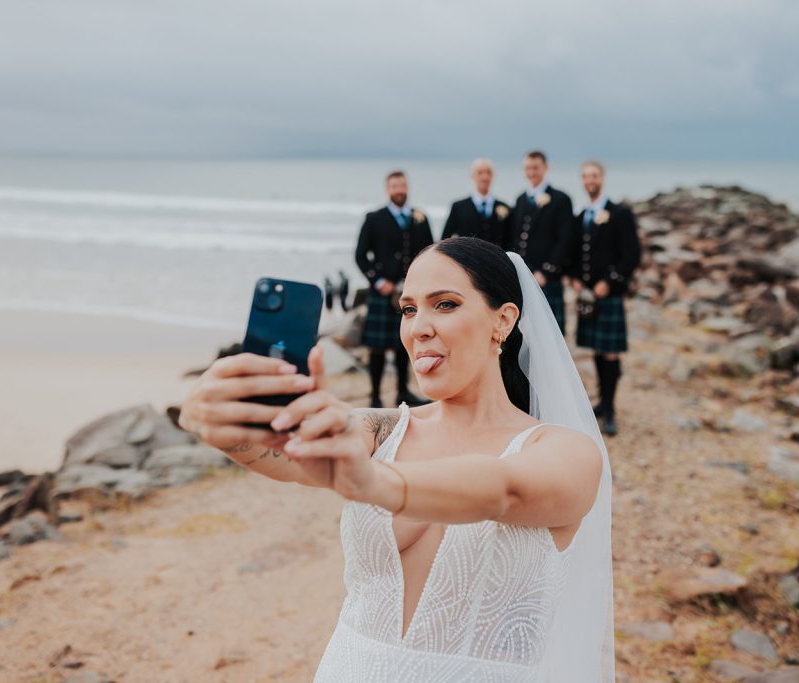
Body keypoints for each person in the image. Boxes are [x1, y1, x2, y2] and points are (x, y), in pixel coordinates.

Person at [178, 236, 615, 682]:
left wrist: (376, 482)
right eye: (409, 310)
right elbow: (273, 452)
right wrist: (212, 421)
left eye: (444, 304)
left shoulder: (566, 451)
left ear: (502, 320)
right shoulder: (378, 430)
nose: (418, 327)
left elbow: (503, 489)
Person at [569, 161, 641, 436]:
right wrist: (574, 278)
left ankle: (610, 409)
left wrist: (609, 283)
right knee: (598, 350)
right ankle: (601, 401)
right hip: (588, 296)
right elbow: (576, 255)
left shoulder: (620, 213)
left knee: (610, 352)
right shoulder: (582, 216)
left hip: (607, 295)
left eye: (594, 175)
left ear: (603, 178)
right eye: (586, 176)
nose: (590, 180)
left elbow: (631, 256)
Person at [354, 170, 433, 408]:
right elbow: (360, 256)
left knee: (404, 344)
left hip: (411, 291)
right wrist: (378, 281)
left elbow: (430, 252)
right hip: (382, 292)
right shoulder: (374, 218)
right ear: (388, 189)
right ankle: (375, 396)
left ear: (407, 187)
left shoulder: (420, 218)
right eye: (394, 186)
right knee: (377, 348)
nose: (399, 190)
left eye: (402, 185)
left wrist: (421, 281)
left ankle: (402, 392)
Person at [506, 151, 574, 333]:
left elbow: (565, 240)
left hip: (546, 278)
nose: (531, 172)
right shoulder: (520, 199)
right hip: (523, 277)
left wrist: (546, 271)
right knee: (525, 334)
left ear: (546, 168)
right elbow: (515, 237)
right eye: (528, 168)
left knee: (550, 335)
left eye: (535, 167)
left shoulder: (561, 199)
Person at [441, 158, 511, 246]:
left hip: (497, 259)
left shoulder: (506, 208)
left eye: (488, 172)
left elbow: (511, 240)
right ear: (472, 176)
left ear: (493, 176)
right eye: (480, 172)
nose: (484, 177)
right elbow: (444, 240)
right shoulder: (458, 207)